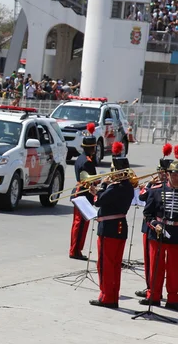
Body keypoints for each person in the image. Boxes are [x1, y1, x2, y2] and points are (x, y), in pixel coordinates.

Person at [88, 151, 134, 308]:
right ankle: (112, 295)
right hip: (119, 228)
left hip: (109, 229)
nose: (111, 172)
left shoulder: (116, 187)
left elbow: (100, 201)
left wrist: (99, 189)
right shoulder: (127, 186)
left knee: (105, 264)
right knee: (114, 265)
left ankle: (107, 297)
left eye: (113, 169)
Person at [141, 160, 178, 310]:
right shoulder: (156, 190)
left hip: (176, 234)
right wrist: (154, 225)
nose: (176, 178)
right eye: (174, 174)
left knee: (174, 269)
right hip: (157, 234)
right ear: (168, 174)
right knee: (156, 266)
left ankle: (173, 298)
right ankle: (154, 296)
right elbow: (147, 214)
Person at [69, 124, 97, 260]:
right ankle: (75, 251)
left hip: (79, 192)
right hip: (83, 194)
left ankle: (75, 249)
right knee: (80, 225)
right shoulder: (87, 162)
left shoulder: (81, 158)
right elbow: (91, 180)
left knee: (78, 223)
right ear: (91, 148)